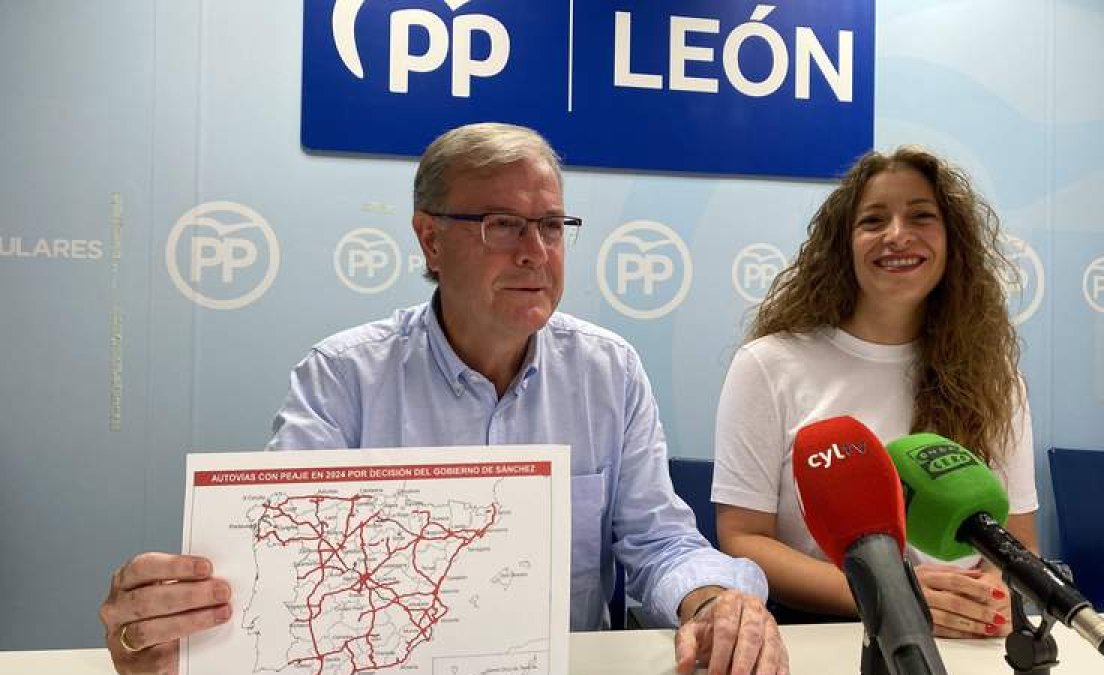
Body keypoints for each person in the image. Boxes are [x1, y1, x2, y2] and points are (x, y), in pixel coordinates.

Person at [98, 122, 788, 675]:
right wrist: (178, 626)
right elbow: (287, 570)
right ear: (430, 239)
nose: (535, 253)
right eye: (501, 224)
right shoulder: (344, 376)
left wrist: (716, 600)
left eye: (551, 225)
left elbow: (659, 540)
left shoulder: (608, 370)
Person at [711, 147, 1039, 639]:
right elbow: (744, 537)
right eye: (873, 220)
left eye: (922, 216)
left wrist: (986, 599)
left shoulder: (997, 378)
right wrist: (890, 595)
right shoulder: (768, 364)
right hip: (829, 632)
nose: (897, 235)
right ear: (843, 244)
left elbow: (1019, 544)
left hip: (964, 638)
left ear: (954, 242)